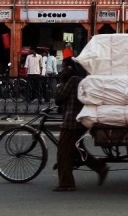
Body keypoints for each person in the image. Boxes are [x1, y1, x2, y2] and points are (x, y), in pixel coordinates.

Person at [54, 58, 108, 191]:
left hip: (71, 123)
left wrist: (60, 83)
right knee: (78, 151)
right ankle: (100, 168)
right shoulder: (80, 80)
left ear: (70, 69)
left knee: (64, 153)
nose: (62, 71)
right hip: (79, 122)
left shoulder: (72, 80)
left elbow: (59, 98)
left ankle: (67, 183)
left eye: (64, 67)